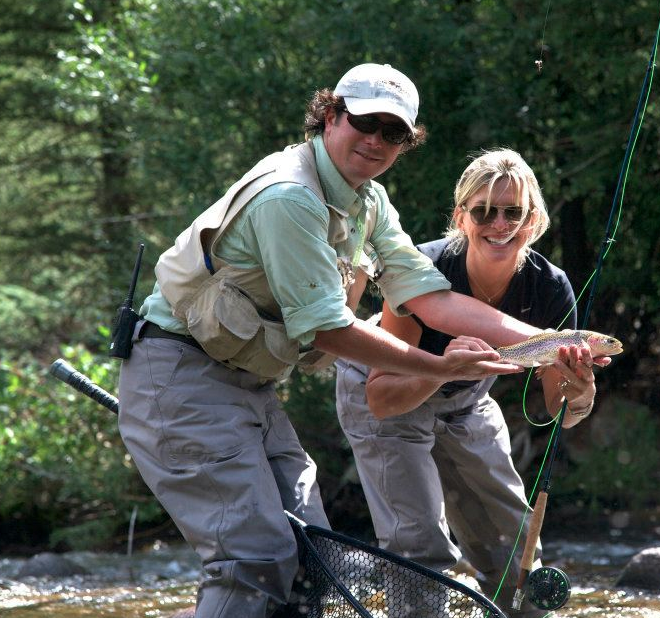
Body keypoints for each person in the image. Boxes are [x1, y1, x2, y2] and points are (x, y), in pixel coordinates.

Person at [117, 64, 552, 618]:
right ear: (330, 117)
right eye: (364, 122)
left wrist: (549, 344)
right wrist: (438, 367)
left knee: (312, 558)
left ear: (406, 142)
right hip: (178, 375)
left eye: (392, 132)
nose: (374, 140)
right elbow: (328, 330)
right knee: (251, 561)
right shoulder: (291, 197)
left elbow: (429, 297)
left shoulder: (368, 201)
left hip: (246, 386)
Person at [335, 149, 612, 617]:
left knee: (514, 544)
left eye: (513, 212)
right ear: (462, 217)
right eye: (484, 211)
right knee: (420, 549)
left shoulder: (550, 288)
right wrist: (442, 366)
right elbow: (381, 400)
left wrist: (581, 391)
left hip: (466, 398)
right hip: (385, 387)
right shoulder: (422, 271)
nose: (498, 223)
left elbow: (560, 410)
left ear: (533, 220)